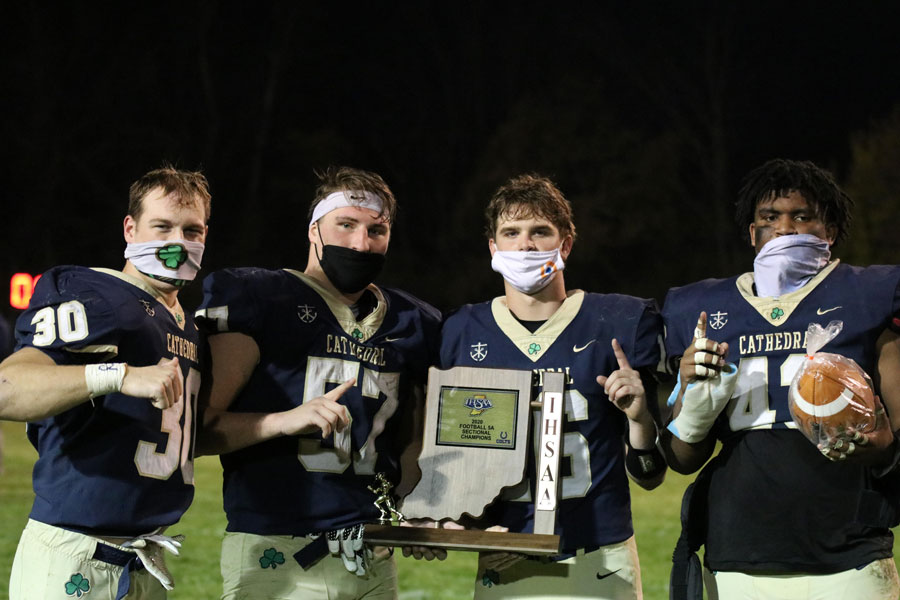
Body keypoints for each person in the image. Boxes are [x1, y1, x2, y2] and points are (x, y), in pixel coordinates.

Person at [194, 166, 441, 600]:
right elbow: (198, 430)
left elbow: (416, 437)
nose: (360, 243)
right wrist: (284, 421)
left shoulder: (412, 321)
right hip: (278, 545)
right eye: (345, 225)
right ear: (314, 230)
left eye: (376, 230)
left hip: (372, 551)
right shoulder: (262, 297)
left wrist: (422, 504)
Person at [662, 158, 900, 600]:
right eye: (770, 218)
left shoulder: (871, 295)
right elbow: (681, 457)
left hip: (848, 548)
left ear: (829, 229)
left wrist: (881, 446)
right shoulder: (704, 311)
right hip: (739, 548)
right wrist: (693, 398)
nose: (785, 229)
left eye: (801, 216)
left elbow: (895, 446)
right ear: (753, 233)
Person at [439, 174, 666, 599]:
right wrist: (463, 520)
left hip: (599, 553)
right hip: (505, 553)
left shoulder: (617, 323)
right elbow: (456, 459)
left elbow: (651, 475)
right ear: (493, 247)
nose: (524, 245)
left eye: (539, 231)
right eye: (511, 232)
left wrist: (639, 420)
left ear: (565, 244)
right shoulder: (461, 332)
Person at [0, 166, 211, 600]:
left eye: (192, 230)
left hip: (144, 555)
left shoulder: (185, 324)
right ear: (130, 229)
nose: (178, 243)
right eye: (162, 226)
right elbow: (8, 386)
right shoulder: (99, 297)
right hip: (75, 552)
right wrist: (118, 374)